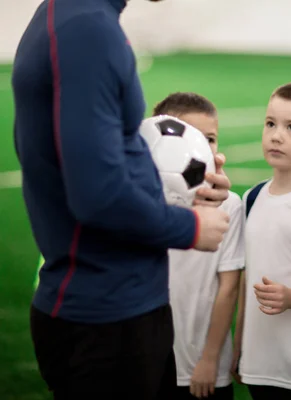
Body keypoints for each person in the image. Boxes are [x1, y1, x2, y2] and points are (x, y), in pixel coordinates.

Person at [11, 0, 231, 399]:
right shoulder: (89, 30)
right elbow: (98, 196)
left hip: (107, 306)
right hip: (108, 320)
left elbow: (93, 165)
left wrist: (184, 196)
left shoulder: (72, 15)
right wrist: (191, 227)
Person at [231, 82, 291, 400]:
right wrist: (239, 349)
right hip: (258, 364)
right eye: (271, 123)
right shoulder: (253, 197)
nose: (276, 135)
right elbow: (248, 280)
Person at [152, 93, 245, 400]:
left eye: (210, 138)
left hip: (203, 366)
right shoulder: (141, 208)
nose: (203, 147)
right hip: (149, 359)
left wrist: (209, 360)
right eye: (192, 137)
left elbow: (228, 288)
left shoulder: (229, 205)